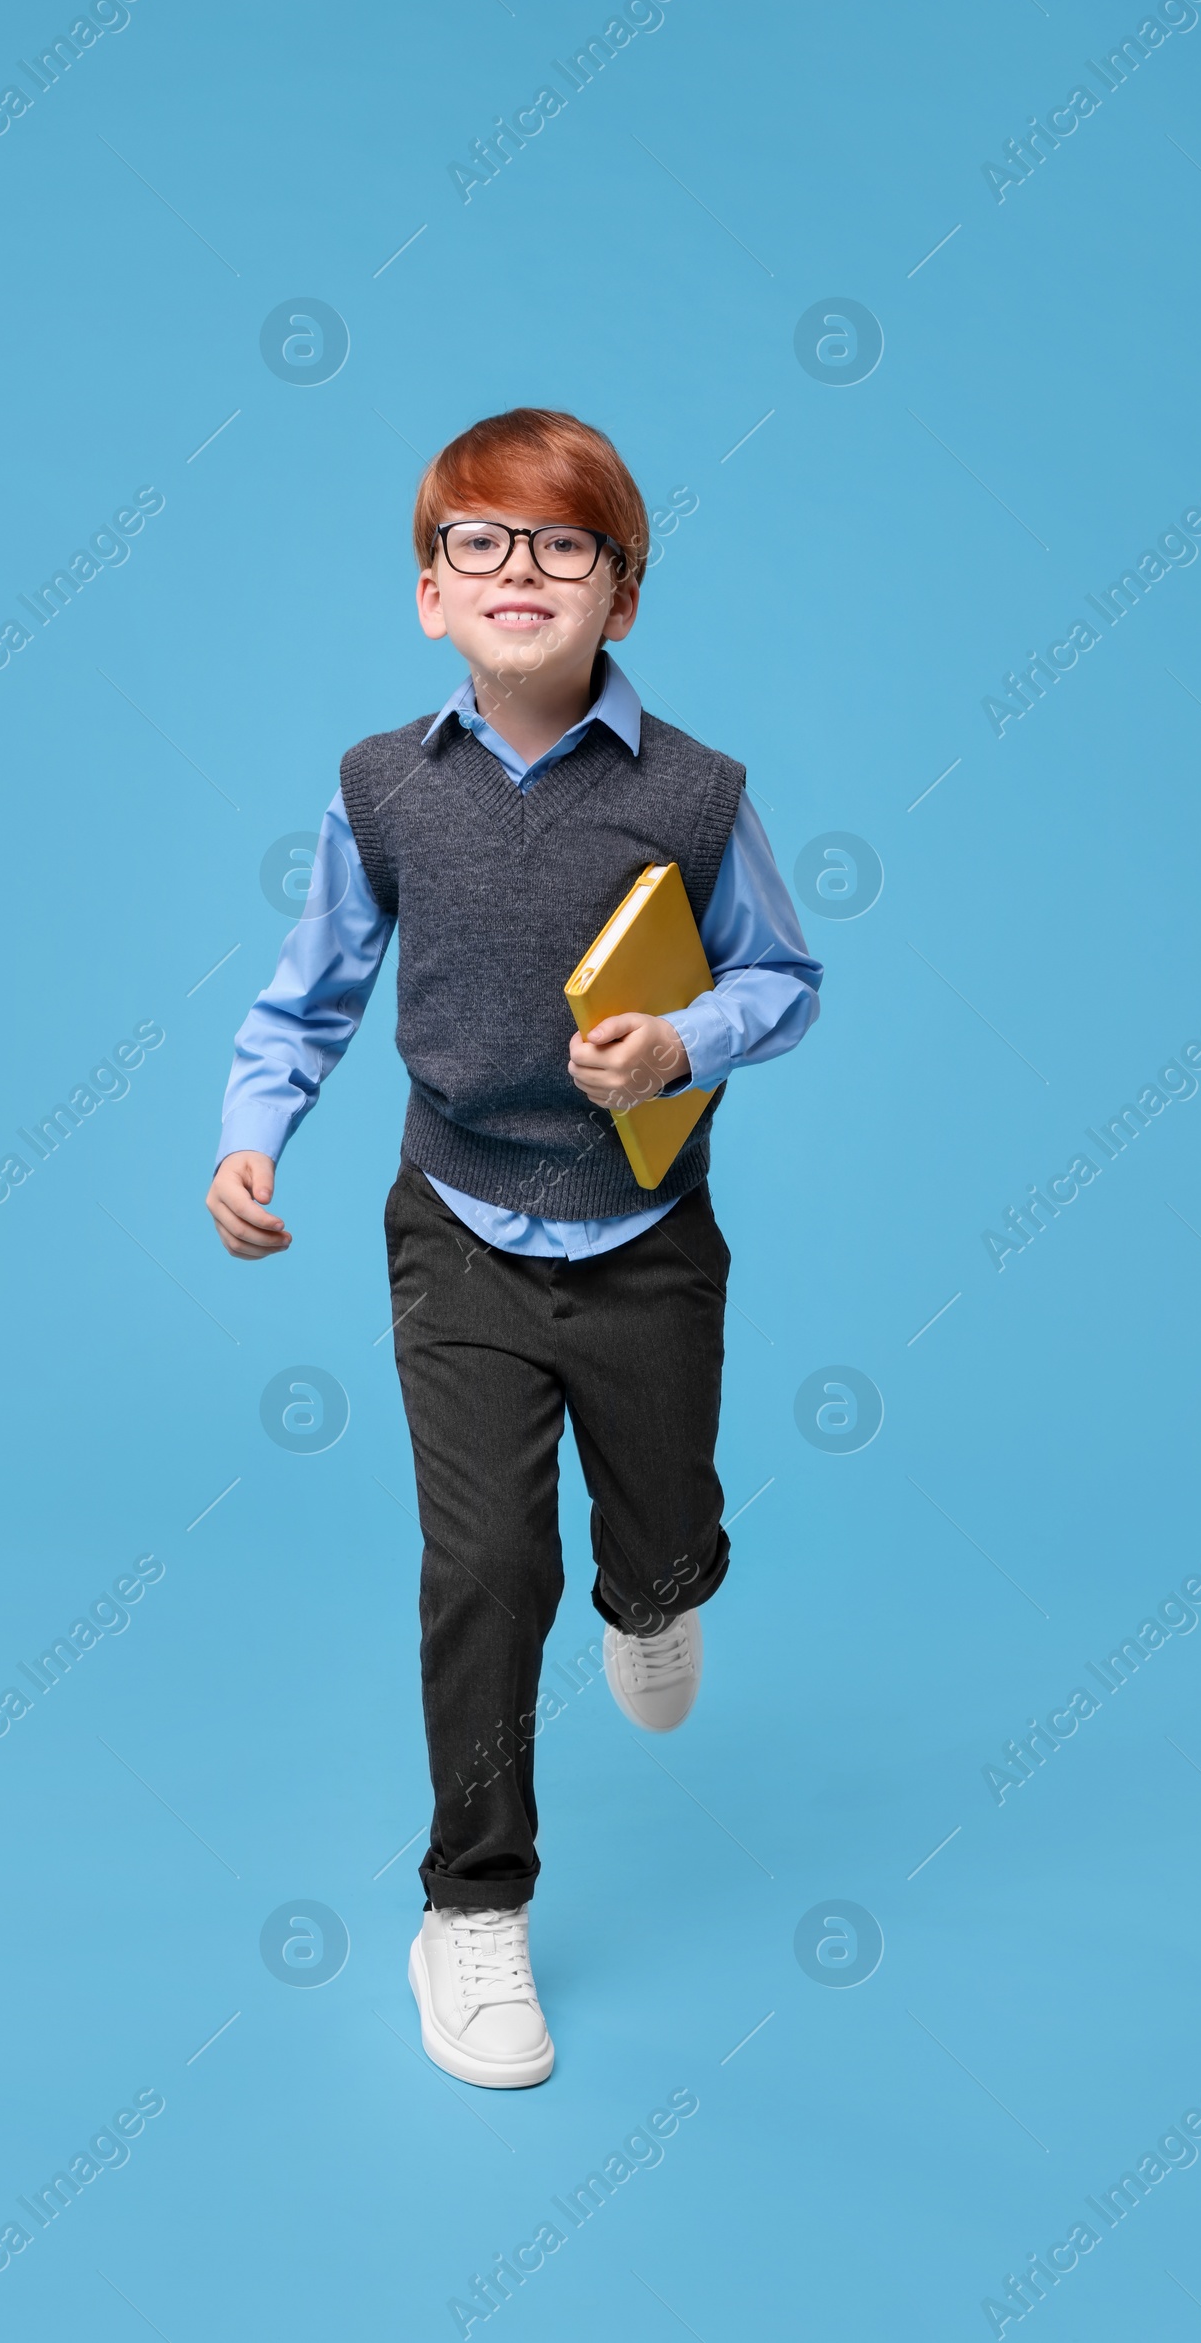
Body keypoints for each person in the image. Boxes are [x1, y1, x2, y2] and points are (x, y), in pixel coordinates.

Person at [206, 407, 821, 2087]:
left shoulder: (698, 793)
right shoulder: (384, 790)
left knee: (663, 1519)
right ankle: (472, 1909)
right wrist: (251, 1136)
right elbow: (311, 988)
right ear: (430, 594)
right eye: (480, 540)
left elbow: (784, 980)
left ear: (619, 597)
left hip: (645, 1237)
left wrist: (683, 1042)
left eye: (564, 544)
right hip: (456, 1235)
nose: (520, 570)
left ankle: (659, 1588)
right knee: (487, 1567)